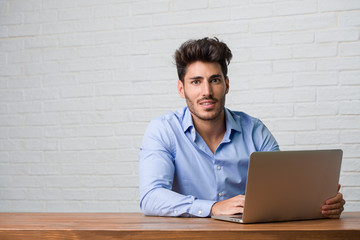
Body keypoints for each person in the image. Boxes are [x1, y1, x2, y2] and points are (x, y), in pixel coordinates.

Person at [139, 37, 345, 218]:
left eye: (215, 80)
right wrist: (213, 207)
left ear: (226, 84)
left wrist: (321, 204)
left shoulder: (255, 130)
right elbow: (151, 197)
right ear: (181, 89)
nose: (206, 91)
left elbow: (281, 191)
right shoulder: (163, 130)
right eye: (196, 82)